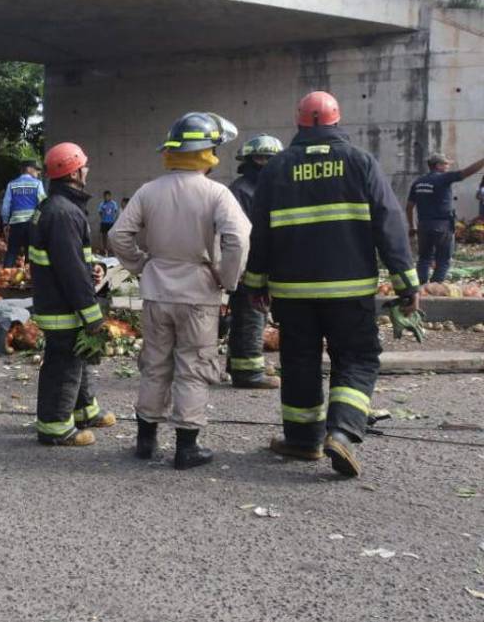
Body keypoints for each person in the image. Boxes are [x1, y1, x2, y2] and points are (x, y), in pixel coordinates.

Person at [244, 91, 418, 478]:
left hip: (293, 293)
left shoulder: (276, 168)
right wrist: (407, 283)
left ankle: (303, 441)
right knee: (357, 358)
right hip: (350, 291)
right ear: (337, 120)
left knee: (299, 362)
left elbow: (261, 233)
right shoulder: (360, 162)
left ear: (299, 122)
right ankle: (342, 432)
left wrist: (255, 283)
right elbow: (389, 223)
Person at [109, 111, 250, 471]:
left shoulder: (148, 191)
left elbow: (118, 235)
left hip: (156, 292)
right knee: (193, 367)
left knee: (154, 364)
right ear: (207, 153)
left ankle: (145, 441)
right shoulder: (217, 193)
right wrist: (228, 280)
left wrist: (141, 265)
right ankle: (187, 448)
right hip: (199, 294)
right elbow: (237, 239)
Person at [29, 142, 117, 446]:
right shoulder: (63, 213)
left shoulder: (59, 207)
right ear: (74, 173)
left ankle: (84, 411)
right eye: (84, 166)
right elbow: (70, 270)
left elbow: (73, 260)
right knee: (63, 364)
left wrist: (93, 268)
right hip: (61, 305)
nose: (87, 170)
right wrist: (92, 315)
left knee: (77, 357)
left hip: (57, 299)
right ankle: (55, 427)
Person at [226, 135, 284, 389]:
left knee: (247, 316)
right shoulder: (243, 190)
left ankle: (239, 365)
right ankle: (249, 374)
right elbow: (241, 234)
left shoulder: (257, 188)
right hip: (249, 265)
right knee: (252, 316)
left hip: (256, 263)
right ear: (257, 159)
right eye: (267, 159)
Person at [406, 152, 484, 284]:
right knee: (443, 260)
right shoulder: (443, 178)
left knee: (424, 259)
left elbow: (409, 207)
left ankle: (420, 288)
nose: (448, 166)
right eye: (446, 164)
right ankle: (435, 288)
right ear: (438, 165)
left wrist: (412, 226)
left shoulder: (418, 182)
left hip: (423, 227)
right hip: (442, 227)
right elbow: (467, 172)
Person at [0, 161, 46, 267]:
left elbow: (5, 206)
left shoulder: (11, 184)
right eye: (36, 170)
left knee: (12, 252)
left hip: (16, 224)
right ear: (28, 169)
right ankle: (29, 275)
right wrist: (36, 221)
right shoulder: (37, 184)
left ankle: (6, 274)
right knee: (30, 254)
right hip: (31, 225)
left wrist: (5, 223)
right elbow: (43, 205)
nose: (38, 173)